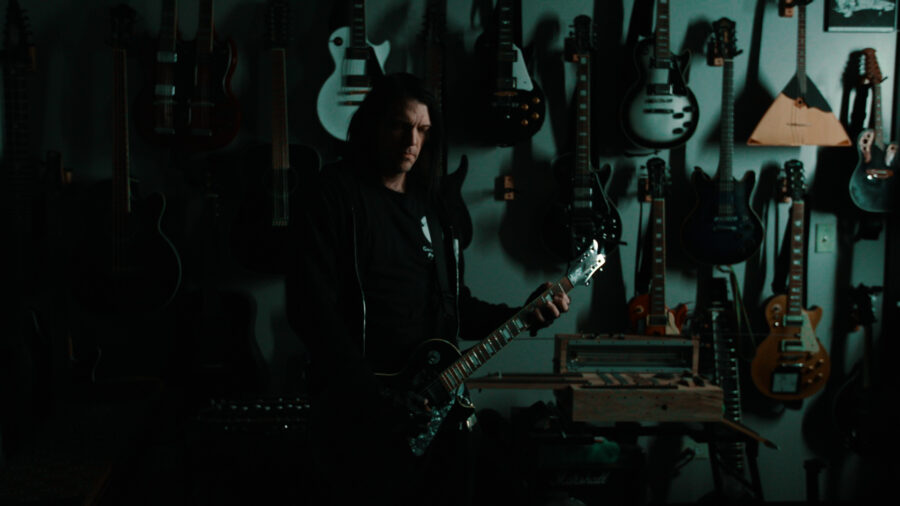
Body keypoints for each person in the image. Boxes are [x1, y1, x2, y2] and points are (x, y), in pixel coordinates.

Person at [287, 72, 570, 506]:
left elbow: (455, 306)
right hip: (360, 414)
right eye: (400, 125)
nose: (411, 141)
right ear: (372, 124)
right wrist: (375, 396)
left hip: (438, 411)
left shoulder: (434, 207)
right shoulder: (331, 195)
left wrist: (522, 312)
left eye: (422, 130)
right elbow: (310, 310)